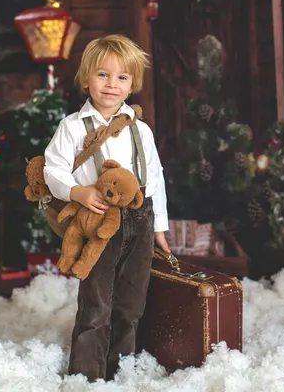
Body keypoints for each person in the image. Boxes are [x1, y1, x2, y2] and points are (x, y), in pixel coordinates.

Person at [43, 34, 171, 382]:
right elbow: (51, 169)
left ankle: (122, 370)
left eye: (122, 77)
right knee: (96, 302)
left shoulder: (140, 130)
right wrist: (78, 192)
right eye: (102, 75)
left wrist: (159, 226)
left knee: (131, 302)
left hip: (140, 221)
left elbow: (154, 177)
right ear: (86, 79)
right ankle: (87, 376)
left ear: (132, 84)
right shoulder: (72, 127)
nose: (111, 85)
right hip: (100, 221)